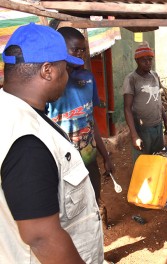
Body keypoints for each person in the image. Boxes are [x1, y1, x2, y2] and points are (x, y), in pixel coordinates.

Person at [0, 23, 104, 263]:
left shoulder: (10, 110)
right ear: (48, 70)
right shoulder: (27, 140)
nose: (67, 77)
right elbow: (41, 236)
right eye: (65, 69)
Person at [46, 27, 114, 216]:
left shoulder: (87, 79)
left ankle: (99, 221)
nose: (81, 54)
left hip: (88, 158)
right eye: (75, 50)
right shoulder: (49, 85)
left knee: (94, 199)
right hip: (62, 164)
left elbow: (90, 120)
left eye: (83, 50)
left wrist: (106, 157)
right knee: (68, 210)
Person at [123, 42, 167, 165]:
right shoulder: (131, 79)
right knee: (143, 162)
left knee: (158, 159)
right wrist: (134, 135)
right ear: (137, 61)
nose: (148, 63)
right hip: (142, 129)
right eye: (144, 60)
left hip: (157, 125)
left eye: (150, 60)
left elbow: (158, 100)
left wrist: (165, 120)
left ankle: (156, 183)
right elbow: (127, 108)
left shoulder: (155, 75)